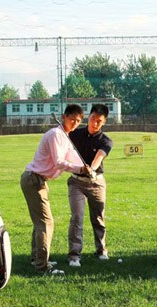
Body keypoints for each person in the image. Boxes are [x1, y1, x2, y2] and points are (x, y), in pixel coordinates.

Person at [20, 104, 85, 273]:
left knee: (40, 222)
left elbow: (73, 159)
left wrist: (88, 169)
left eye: (78, 121)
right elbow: (59, 163)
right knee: (46, 223)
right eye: (72, 119)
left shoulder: (65, 137)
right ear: (64, 117)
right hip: (34, 179)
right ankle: (42, 266)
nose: (75, 123)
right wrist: (81, 169)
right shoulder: (56, 134)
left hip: (39, 180)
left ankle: (37, 259)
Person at [67, 104, 113, 267]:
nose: (94, 123)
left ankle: (101, 250)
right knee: (77, 218)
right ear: (89, 116)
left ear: (104, 122)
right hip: (76, 182)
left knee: (98, 217)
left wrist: (91, 169)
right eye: (93, 118)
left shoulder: (106, 141)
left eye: (99, 121)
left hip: (96, 182)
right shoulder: (74, 134)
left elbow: (99, 157)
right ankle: (74, 255)